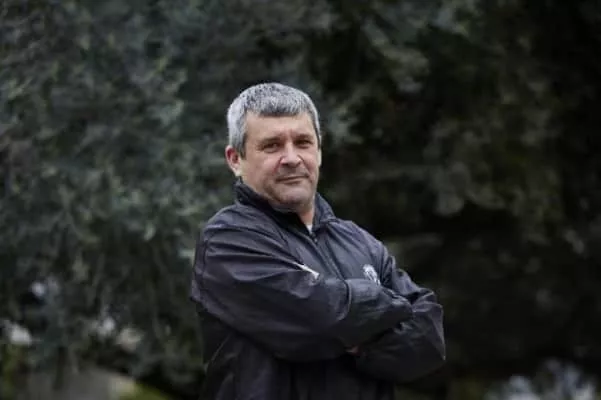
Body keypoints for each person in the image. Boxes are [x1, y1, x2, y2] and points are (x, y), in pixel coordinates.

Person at [190, 82, 445, 400]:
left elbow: (429, 341)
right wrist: (387, 306)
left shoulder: (359, 241)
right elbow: (321, 321)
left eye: (303, 142)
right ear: (235, 159)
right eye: (272, 146)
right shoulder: (228, 240)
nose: (291, 158)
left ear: (319, 151)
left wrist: (356, 334)